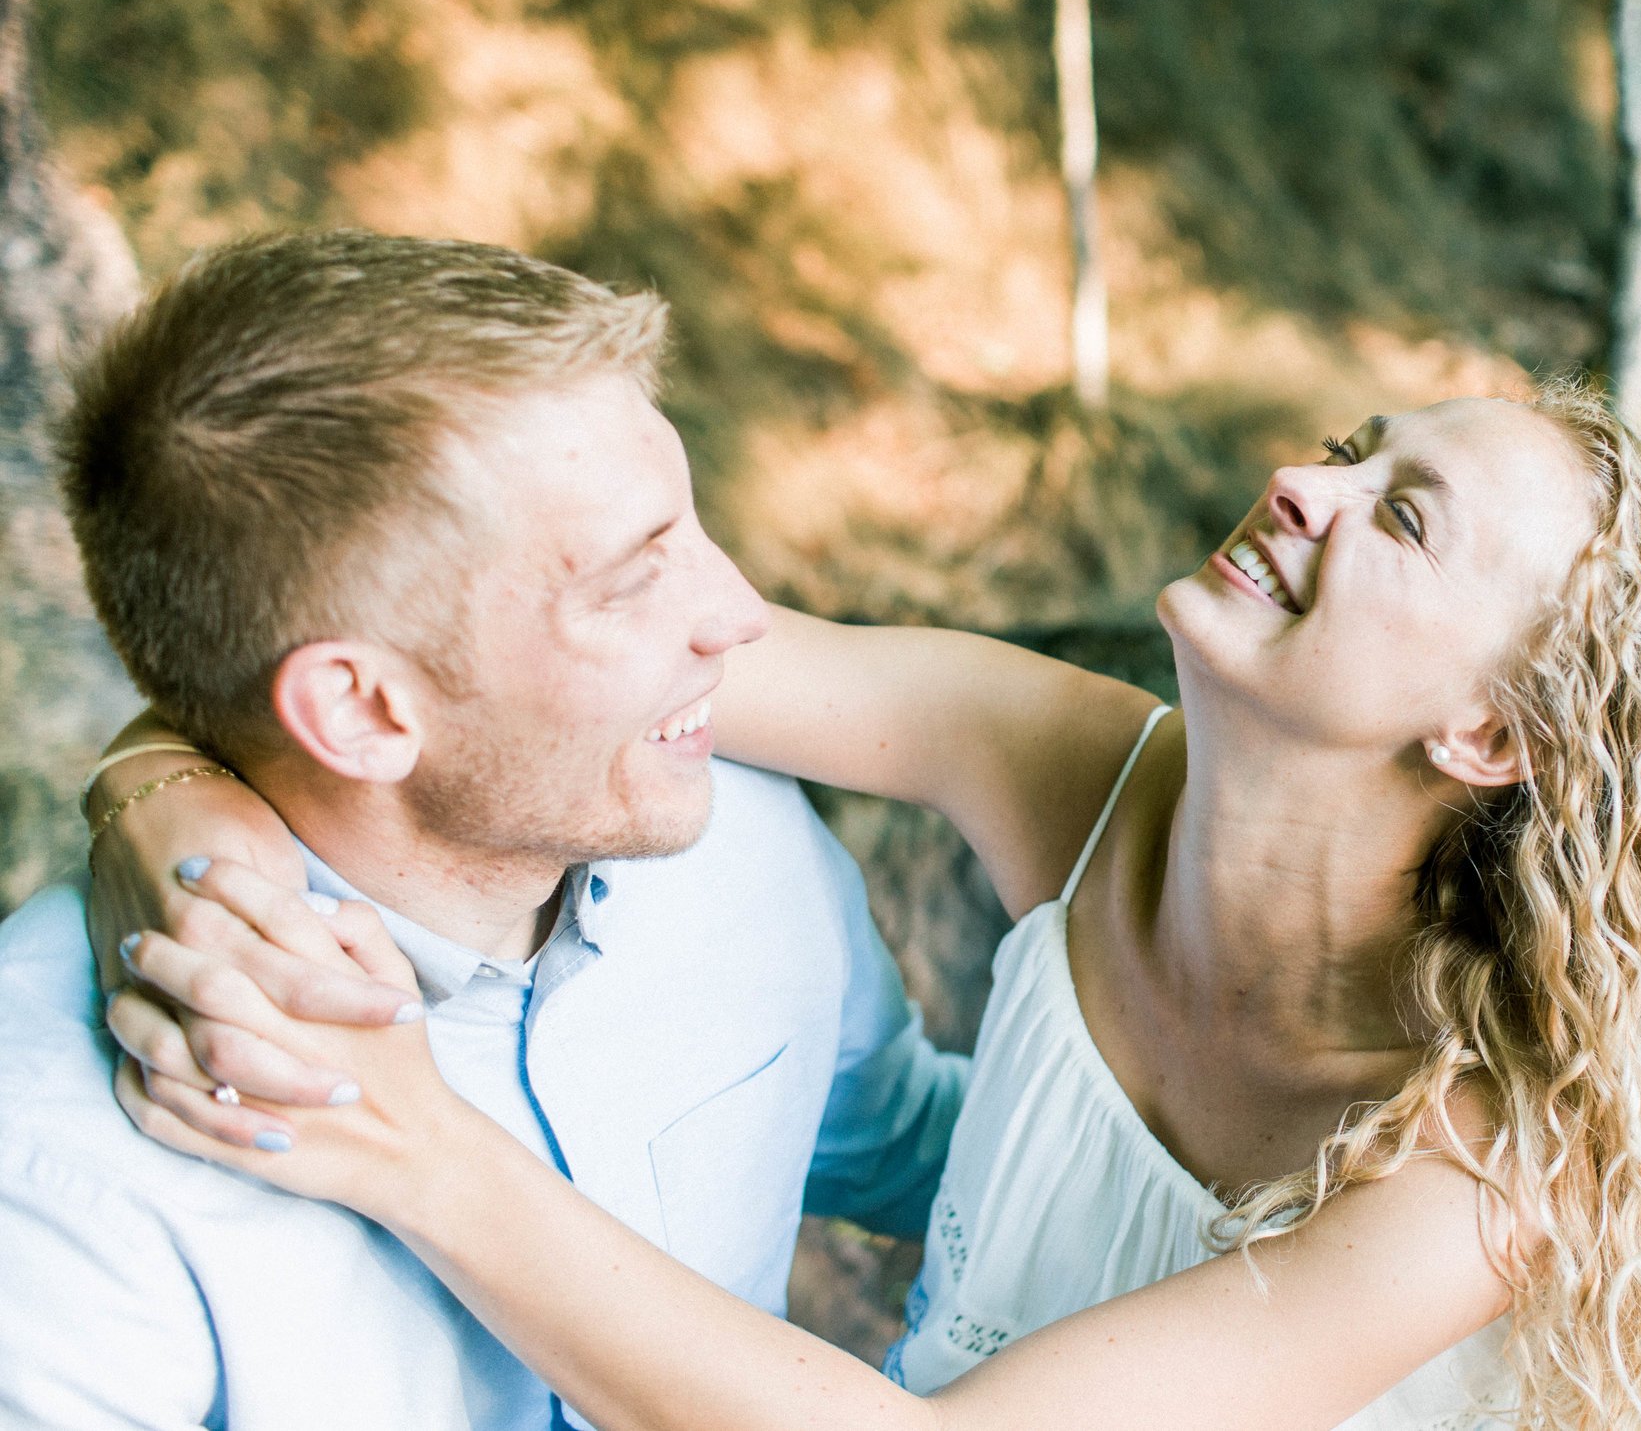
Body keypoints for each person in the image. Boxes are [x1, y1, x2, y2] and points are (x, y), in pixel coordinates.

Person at [96, 369, 1641, 1430]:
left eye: (1404, 518)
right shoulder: (1069, 763)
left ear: (1490, 730)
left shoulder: (1491, 1157)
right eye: (1350, 445)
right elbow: (542, 662)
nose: (1304, 482)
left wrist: (405, 1137)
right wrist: (161, 800)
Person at [2, 230, 968, 1430]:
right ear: (362, 710)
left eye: (693, 531)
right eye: (630, 579)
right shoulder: (58, 1191)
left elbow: (914, 1148)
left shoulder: (736, 838)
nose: (737, 615)